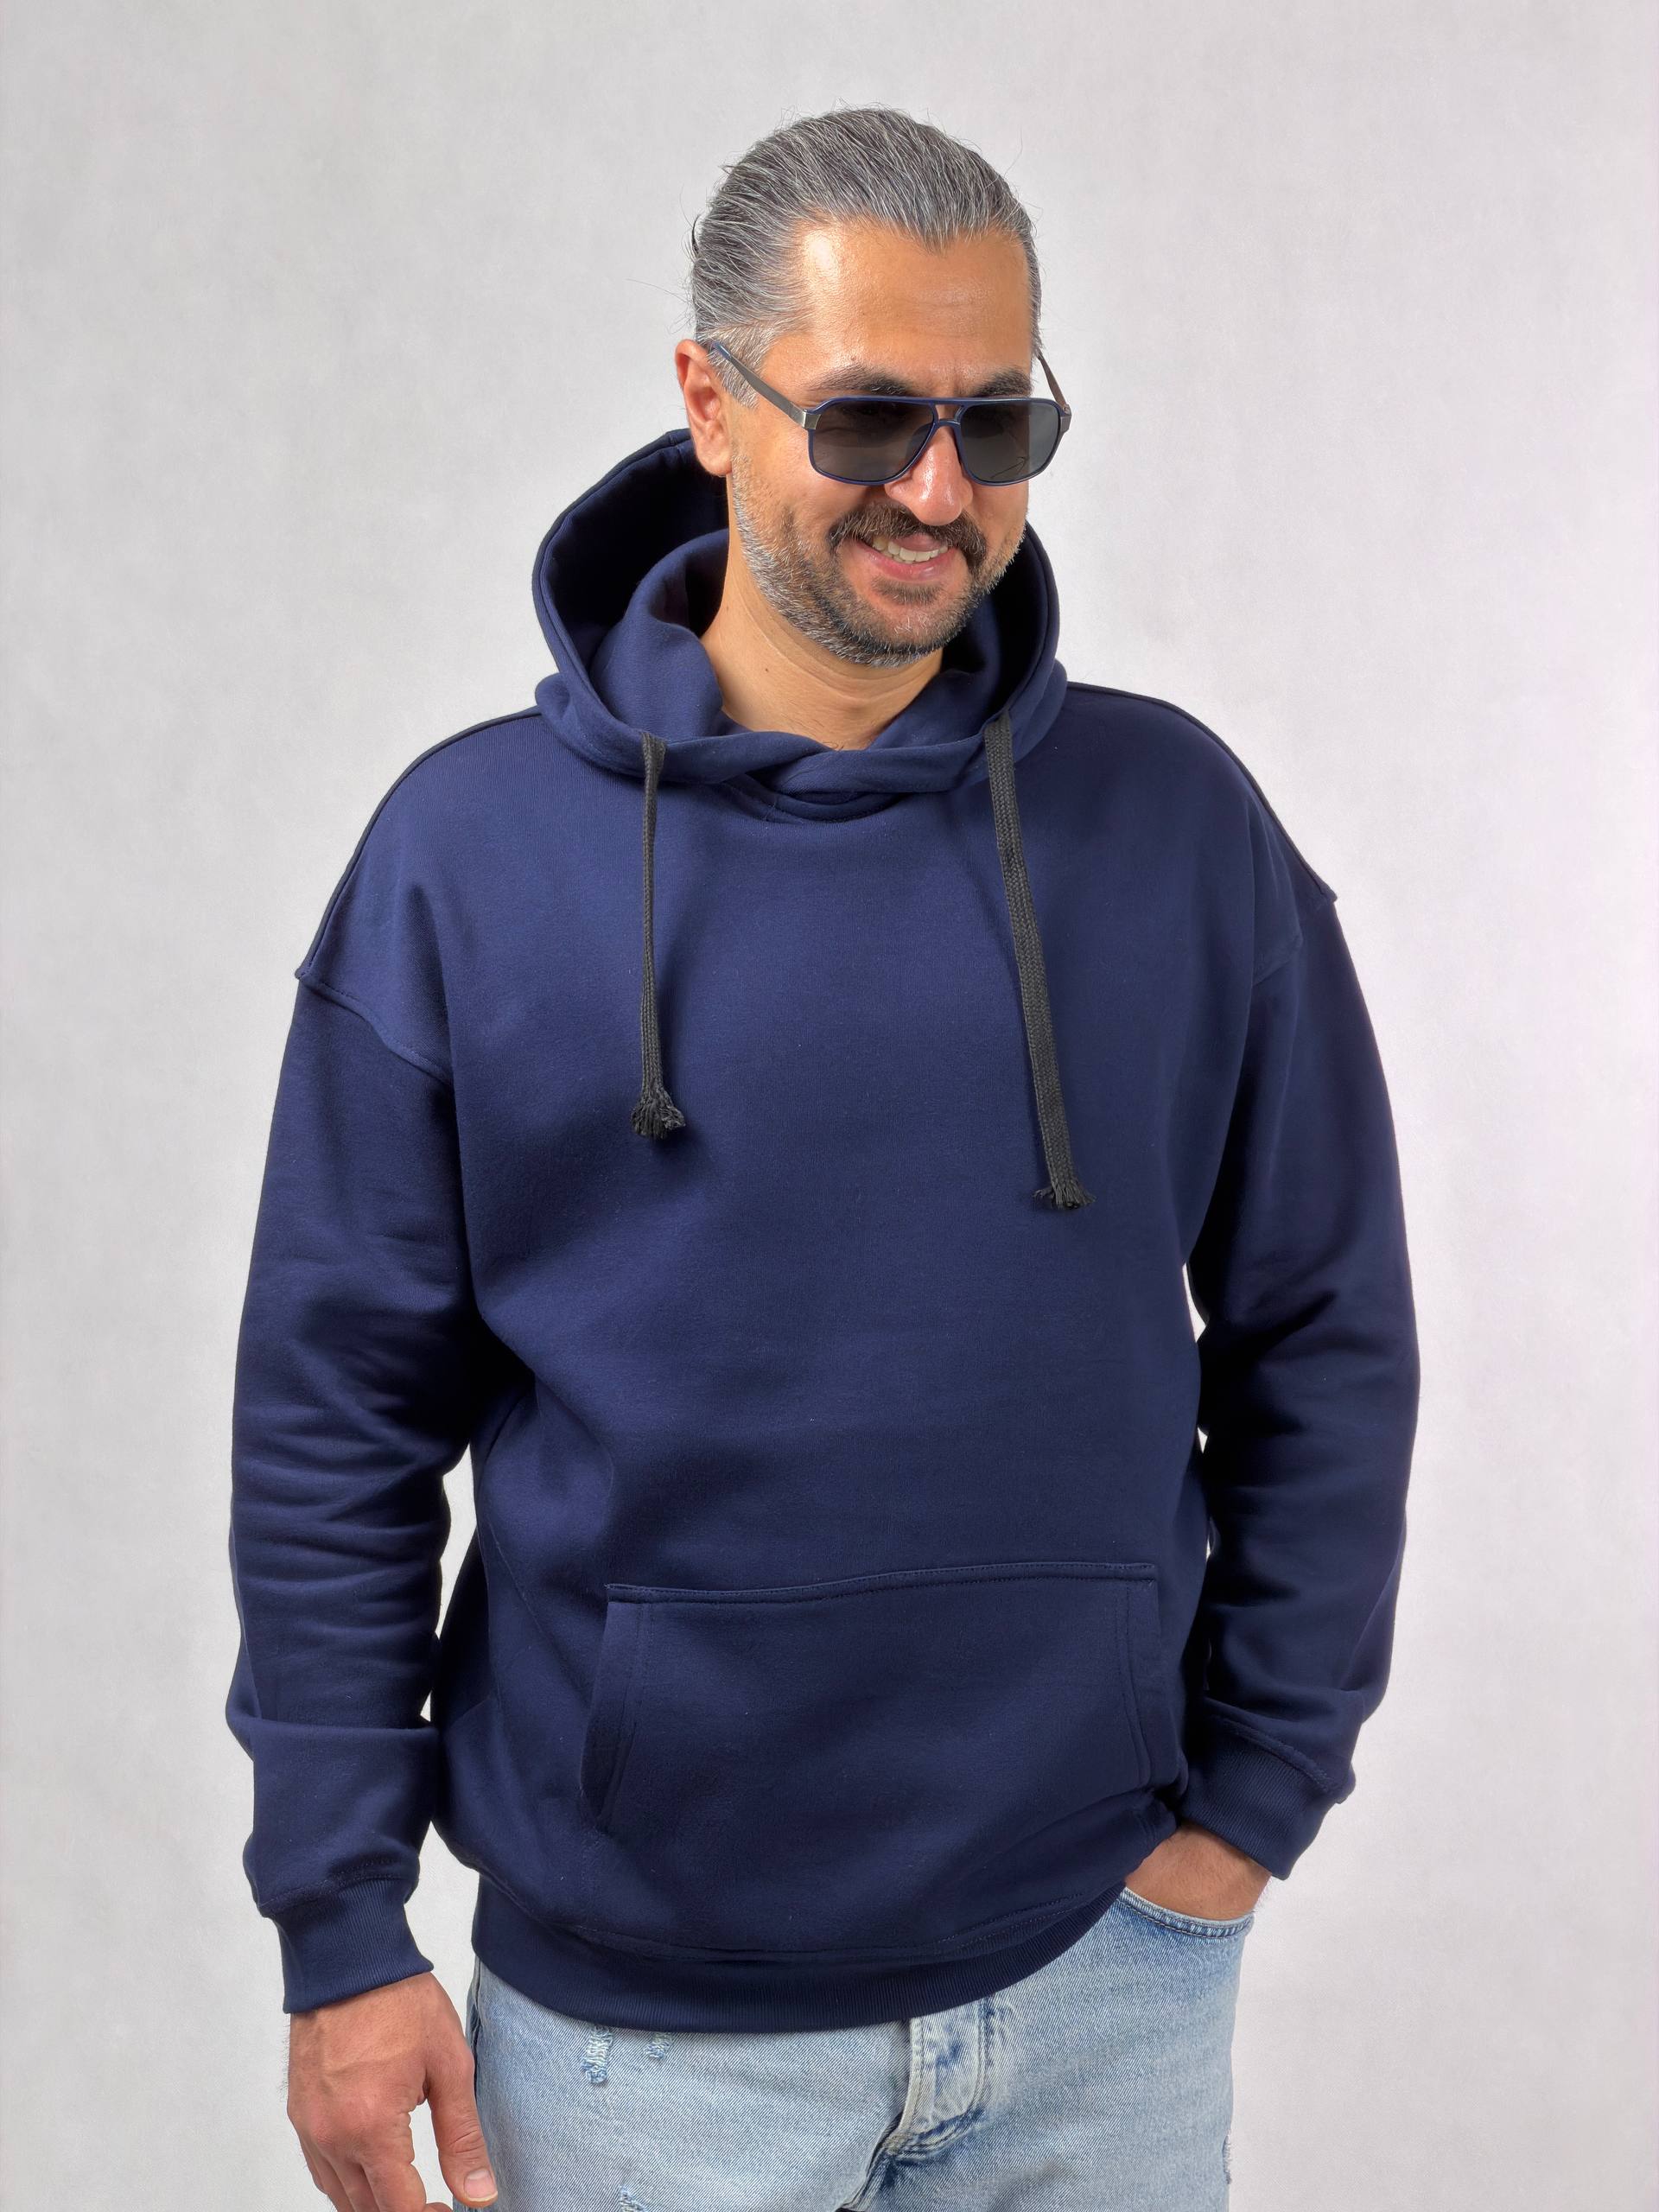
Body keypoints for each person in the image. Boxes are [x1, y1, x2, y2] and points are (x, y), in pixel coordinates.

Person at [225, 104, 1421, 2212]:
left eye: (998, 422)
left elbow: (1323, 1326)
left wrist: (1257, 1792)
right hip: (639, 2043)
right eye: (870, 418)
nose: (940, 492)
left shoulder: (1180, 832)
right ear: (711, 401)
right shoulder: (467, 861)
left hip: (1104, 1983)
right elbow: (336, 1421)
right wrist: (340, 1923)